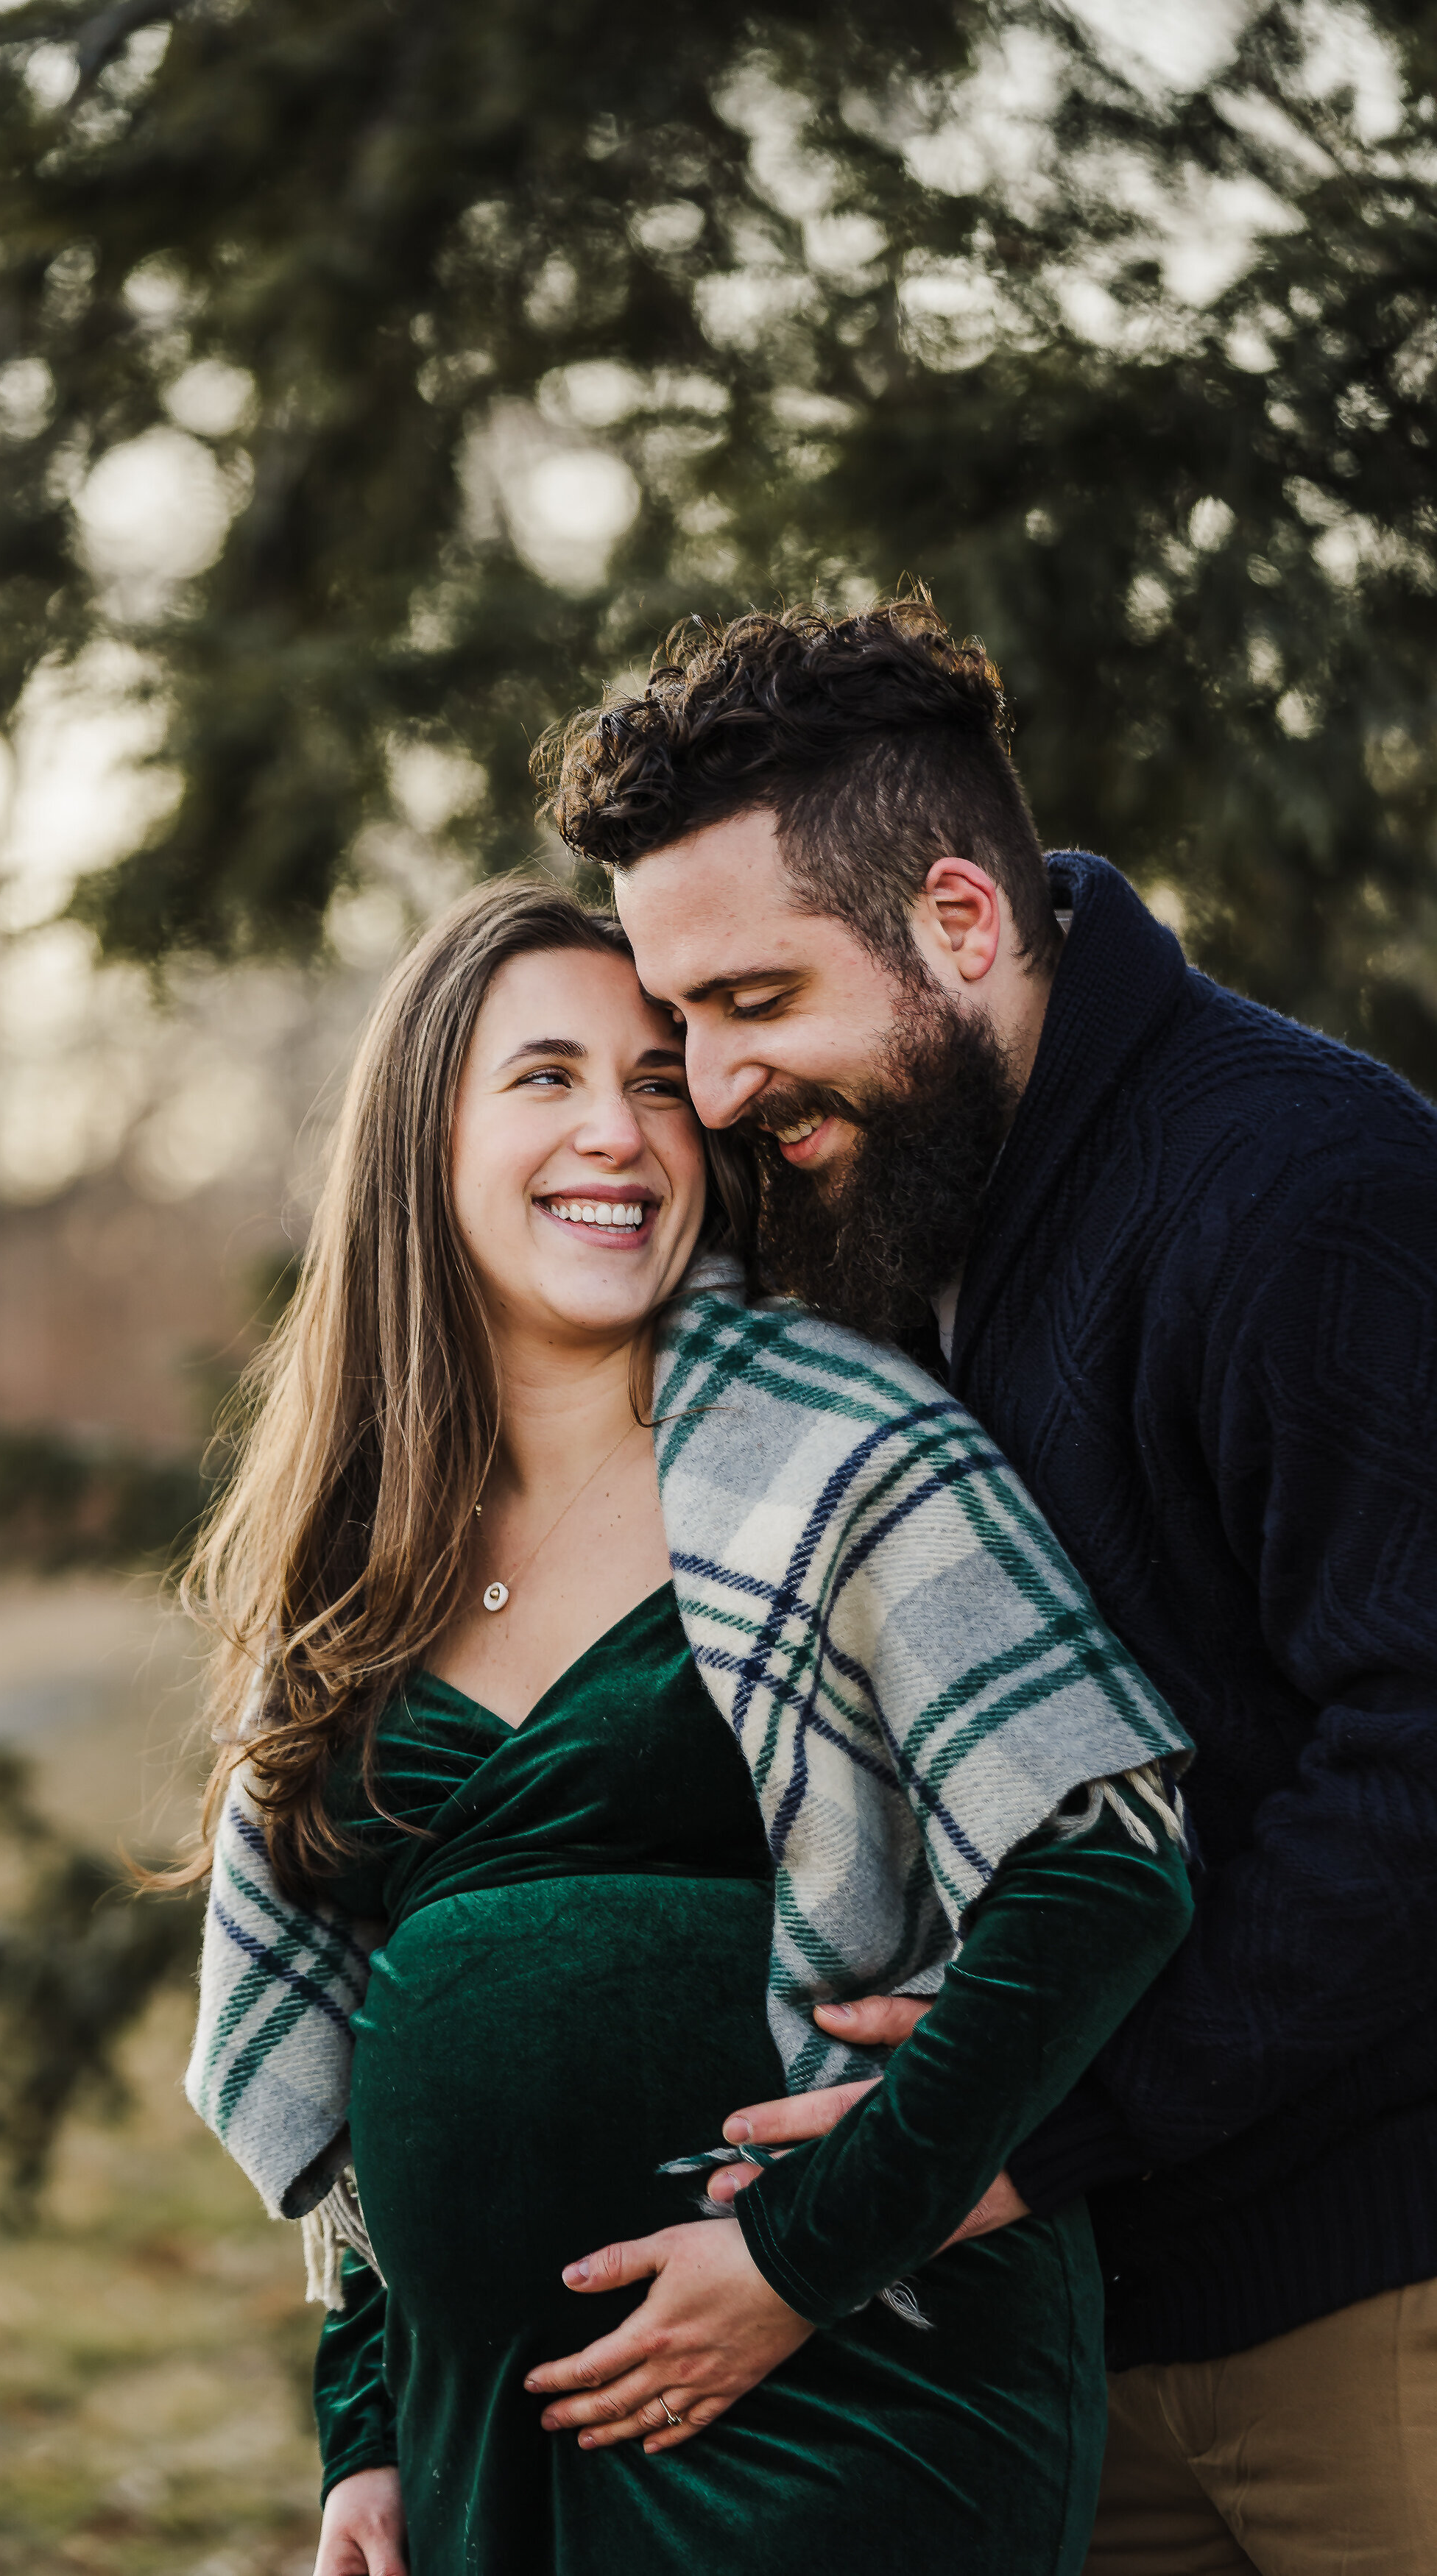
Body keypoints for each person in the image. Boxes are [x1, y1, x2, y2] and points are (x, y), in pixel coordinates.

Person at [541, 598, 1437, 2572]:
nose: (703, 1085)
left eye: (753, 999)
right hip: (1045, 2336)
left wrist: (998, 2141)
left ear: (955, 920)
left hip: (1369, 2302)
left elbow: (1412, 1772)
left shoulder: (1306, 1188)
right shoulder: (843, 1236)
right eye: (677, 1013)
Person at [178, 876, 1193, 2576]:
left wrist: (810, 2252)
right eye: (548, 1079)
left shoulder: (845, 1445)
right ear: (419, 1143)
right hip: (486, 2418)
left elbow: (1107, 1866)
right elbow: (339, 2024)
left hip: (851, 2371)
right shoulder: (358, 1557)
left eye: (661, 1081)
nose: (621, 1133)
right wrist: (367, 2428)